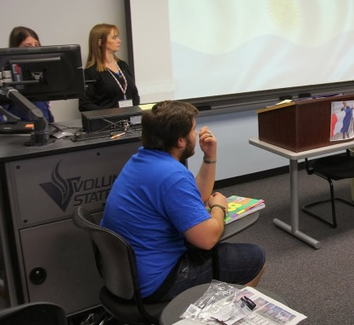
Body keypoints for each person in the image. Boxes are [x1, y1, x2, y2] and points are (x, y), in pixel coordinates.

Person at [101, 100, 265, 302]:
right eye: (194, 130)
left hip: (126, 277)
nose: (196, 135)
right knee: (255, 257)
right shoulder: (172, 175)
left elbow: (195, 197)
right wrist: (218, 207)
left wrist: (210, 156)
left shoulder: (141, 161)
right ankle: (221, 315)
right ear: (180, 141)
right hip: (158, 282)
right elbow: (207, 240)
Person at [0, 26, 54, 123]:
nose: (33, 49)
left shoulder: (39, 72)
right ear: (15, 48)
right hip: (19, 130)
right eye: (27, 46)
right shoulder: (4, 74)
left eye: (36, 45)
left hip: (43, 126)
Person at [79, 23, 140, 111]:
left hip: (129, 120)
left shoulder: (123, 65)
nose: (119, 41)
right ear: (100, 42)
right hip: (108, 122)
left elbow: (134, 93)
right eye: (114, 38)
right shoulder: (91, 72)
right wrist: (109, 114)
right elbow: (84, 104)